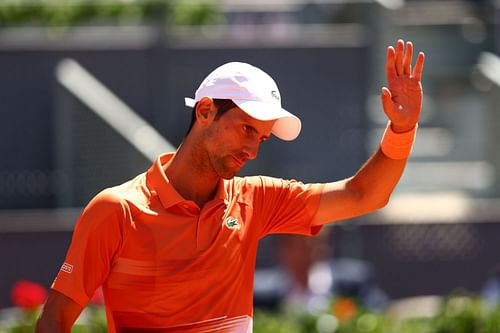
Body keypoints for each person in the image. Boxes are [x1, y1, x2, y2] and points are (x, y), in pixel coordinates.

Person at [36, 39, 425, 333]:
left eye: (262, 137)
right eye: (246, 129)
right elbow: (56, 318)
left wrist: (401, 129)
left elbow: (364, 195)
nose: (253, 149)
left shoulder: (258, 198)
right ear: (205, 111)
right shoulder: (116, 209)